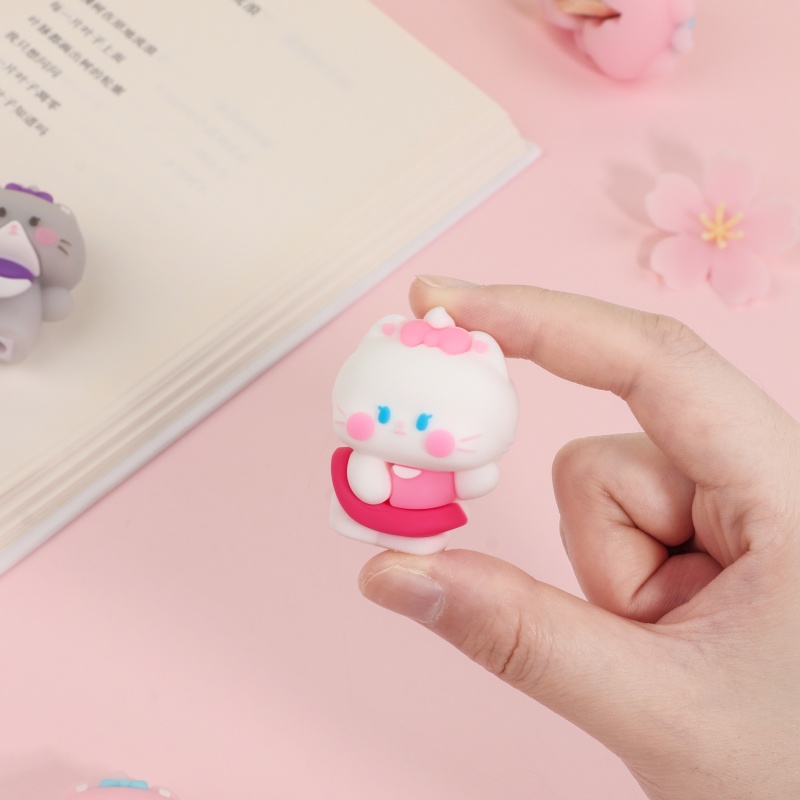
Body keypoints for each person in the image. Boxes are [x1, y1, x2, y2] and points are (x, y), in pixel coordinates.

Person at [359, 276, 800, 800]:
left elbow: (472, 477)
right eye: (383, 415)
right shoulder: (368, 457)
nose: (402, 429)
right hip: (388, 511)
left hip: (427, 515)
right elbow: (374, 476)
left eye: (425, 420)